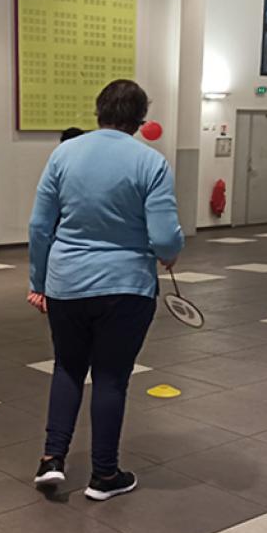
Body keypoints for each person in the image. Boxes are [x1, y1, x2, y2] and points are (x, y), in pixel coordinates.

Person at [27, 79, 184, 501]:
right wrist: (169, 253)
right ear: (140, 121)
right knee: (112, 378)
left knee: (67, 368)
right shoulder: (150, 162)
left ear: (98, 111)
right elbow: (166, 235)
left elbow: (40, 227)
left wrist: (38, 282)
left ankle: (51, 460)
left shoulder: (63, 154)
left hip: (66, 283)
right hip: (126, 287)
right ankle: (104, 475)